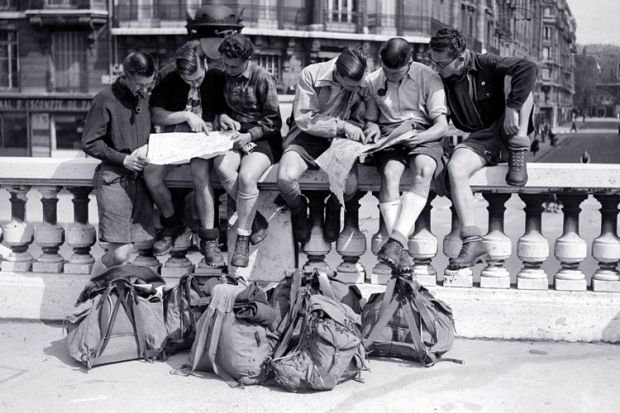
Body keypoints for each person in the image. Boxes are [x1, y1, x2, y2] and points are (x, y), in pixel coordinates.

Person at [429, 28, 536, 269]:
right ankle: (473, 241)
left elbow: (528, 68)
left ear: (462, 57)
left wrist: (511, 107)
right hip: (483, 137)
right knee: (456, 168)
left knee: (519, 82)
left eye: (442, 64)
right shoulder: (441, 80)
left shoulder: (485, 62)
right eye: (432, 62)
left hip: (512, 124)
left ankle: (518, 148)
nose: (436, 69)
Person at [364, 38, 449, 269]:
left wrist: (420, 138)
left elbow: (441, 125)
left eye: (397, 73)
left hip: (423, 132)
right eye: (387, 72)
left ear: (410, 63)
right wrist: (371, 128)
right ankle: (398, 249)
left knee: (424, 170)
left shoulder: (429, 78)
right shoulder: (373, 81)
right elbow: (371, 120)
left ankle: (395, 242)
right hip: (391, 135)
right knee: (390, 174)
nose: (390, 78)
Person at [143, 41, 226, 267]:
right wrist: (186, 116)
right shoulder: (169, 77)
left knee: (200, 174)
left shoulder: (218, 76)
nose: (194, 83)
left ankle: (209, 239)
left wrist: (221, 117)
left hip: (206, 137)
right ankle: (172, 222)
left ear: (205, 63)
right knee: (151, 174)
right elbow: (156, 114)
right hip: (177, 136)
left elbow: (226, 109)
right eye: (188, 80)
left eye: (198, 78)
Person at [277, 48, 370, 244]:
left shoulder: (362, 81)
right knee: (285, 177)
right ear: (338, 73)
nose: (356, 89)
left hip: (342, 141)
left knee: (350, 185)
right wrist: (341, 125)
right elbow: (304, 119)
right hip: (307, 135)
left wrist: (369, 127)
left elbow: (364, 118)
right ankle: (298, 209)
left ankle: (334, 208)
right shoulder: (310, 74)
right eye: (351, 86)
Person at [81, 52, 157, 270]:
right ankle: (92, 288)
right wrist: (124, 159)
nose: (144, 90)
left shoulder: (145, 98)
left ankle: (112, 297)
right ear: (126, 76)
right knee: (119, 255)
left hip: (140, 183)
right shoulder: (104, 99)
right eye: (140, 85)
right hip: (114, 181)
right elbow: (89, 142)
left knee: (133, 250)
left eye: (148, 85)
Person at [213, 34, 283, 267]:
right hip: (234, 137)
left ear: (246, 60)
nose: (229, 69)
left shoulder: (262, 77)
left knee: (247, 176)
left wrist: (249, 135)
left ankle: (243, 236)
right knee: (221, 167)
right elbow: (219, 108)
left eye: (234, 66)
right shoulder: (223, 76)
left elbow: (274, 121)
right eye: (225, 64)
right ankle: (257, 220)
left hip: (263, 139)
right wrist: (221, 116)